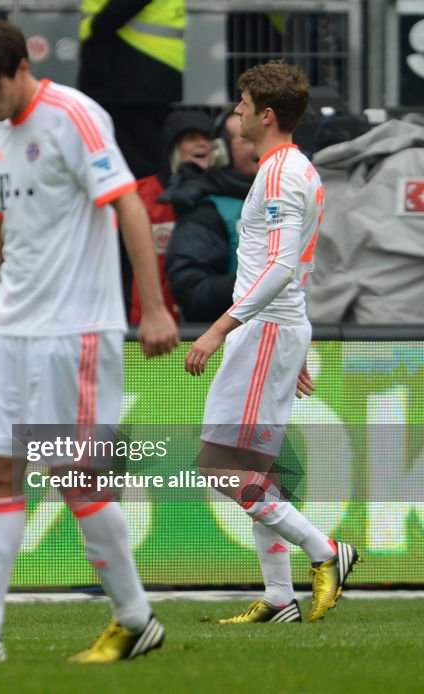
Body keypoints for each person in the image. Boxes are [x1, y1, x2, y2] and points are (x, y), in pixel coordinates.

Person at [0, 17, 178, 665]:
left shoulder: (75, 115)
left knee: (72, 472)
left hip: (75, 331)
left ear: (18, 69)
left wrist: (151, 308)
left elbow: (128, 207)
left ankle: (135, 617)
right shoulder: (5, 133)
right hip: (11, 329)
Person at [184, 61, 359, 624]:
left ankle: (326, 551)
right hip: (275, 330)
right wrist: (292, 339)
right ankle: (281, 598)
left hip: (263, 332)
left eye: (241, 104)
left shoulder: (282, 173)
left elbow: (282, 266)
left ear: (266, 114)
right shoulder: (290, 169)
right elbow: (289, 268)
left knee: (217, 464)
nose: (234, 114)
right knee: (258, 468)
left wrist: (219, 328)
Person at [165, 112, 260, 321]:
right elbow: (190, 289)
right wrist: (261, 286)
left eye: (263, 136)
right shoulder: (207, 210)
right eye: (248, 138)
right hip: (225, 347)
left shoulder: (292, 197)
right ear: (222, 151)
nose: (260, 145)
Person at [77, 0, 186, 179]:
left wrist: (98, 28)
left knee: (135, 169)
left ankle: (142, 207)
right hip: (135, 73)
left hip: (131, 72)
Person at [127, 109, 213, 323]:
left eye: (207, 138)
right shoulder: (139, 195)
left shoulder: (220, 195)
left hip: (206, 327)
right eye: (191, 138)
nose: (202, 144)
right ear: (172, 146)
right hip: (151, 327)